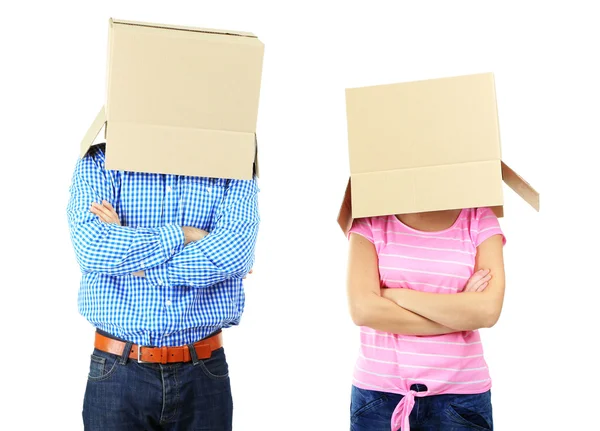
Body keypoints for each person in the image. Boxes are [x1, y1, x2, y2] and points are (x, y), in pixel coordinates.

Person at [67, 143, 259, 430]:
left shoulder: (234, 160)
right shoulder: (101, 161)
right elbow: (93, 248)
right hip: (118, 371)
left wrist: (133, 260)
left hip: (203, 370)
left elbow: (235, 255)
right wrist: (186, 235)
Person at [346, 207, 505, 430]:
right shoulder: (370, 218)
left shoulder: (479, 217)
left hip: (460, 398)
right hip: (379, 397)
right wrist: (459, 313)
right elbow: (363, 310)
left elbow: (487, 311)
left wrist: (394, 295)